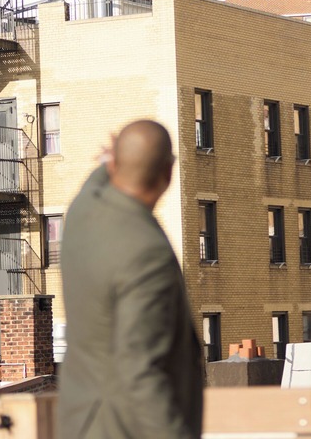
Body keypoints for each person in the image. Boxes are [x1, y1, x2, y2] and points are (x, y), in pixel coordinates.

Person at [56, 120, 203, 439]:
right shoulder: (147, 255)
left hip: (80, 422)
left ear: (116, 166)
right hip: (123, 428)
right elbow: (139, 370)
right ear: (169, 172)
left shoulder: (82, 210)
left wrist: (114, 156)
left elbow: (99, 176)